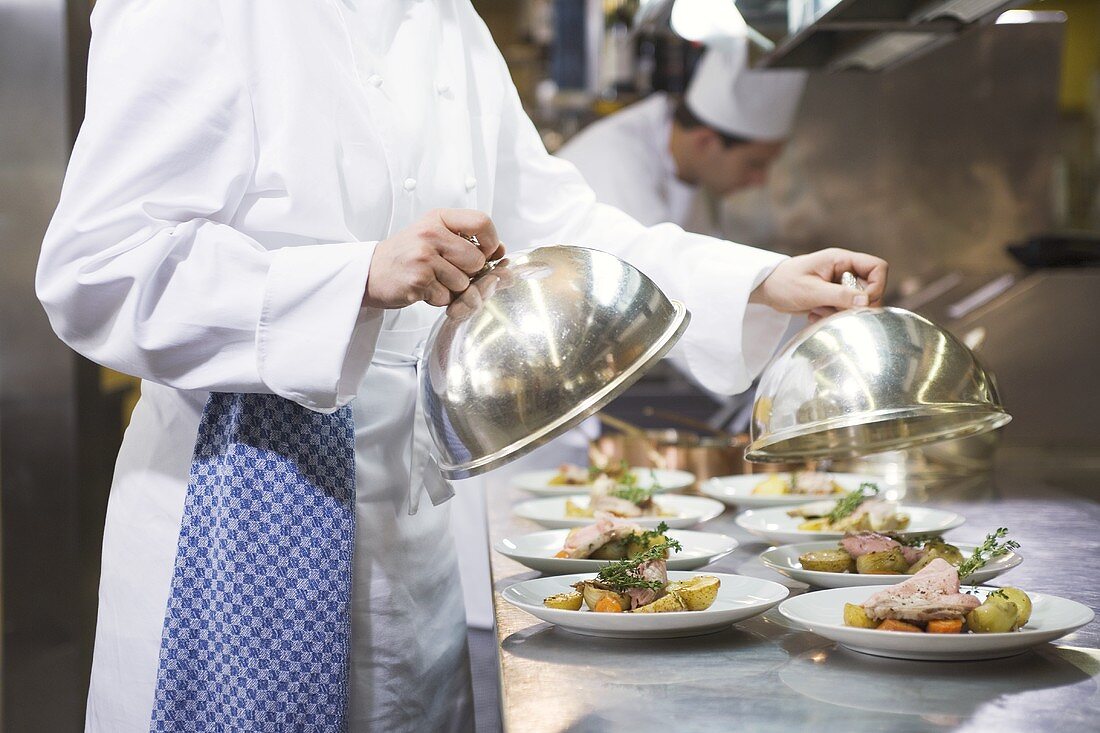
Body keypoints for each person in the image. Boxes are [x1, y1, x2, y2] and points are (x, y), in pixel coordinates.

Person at [36, 2, 886, 731]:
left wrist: (761, 278)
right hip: (235, 508)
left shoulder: (451, 23)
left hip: (410, 512)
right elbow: (97, 271)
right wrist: (357, 275)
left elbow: (559, 226)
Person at [557, 43, 806, 230]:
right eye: (755, 164)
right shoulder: (616, 161)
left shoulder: (689, 165)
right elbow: (650, 272)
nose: (761, 180)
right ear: (705, 141)